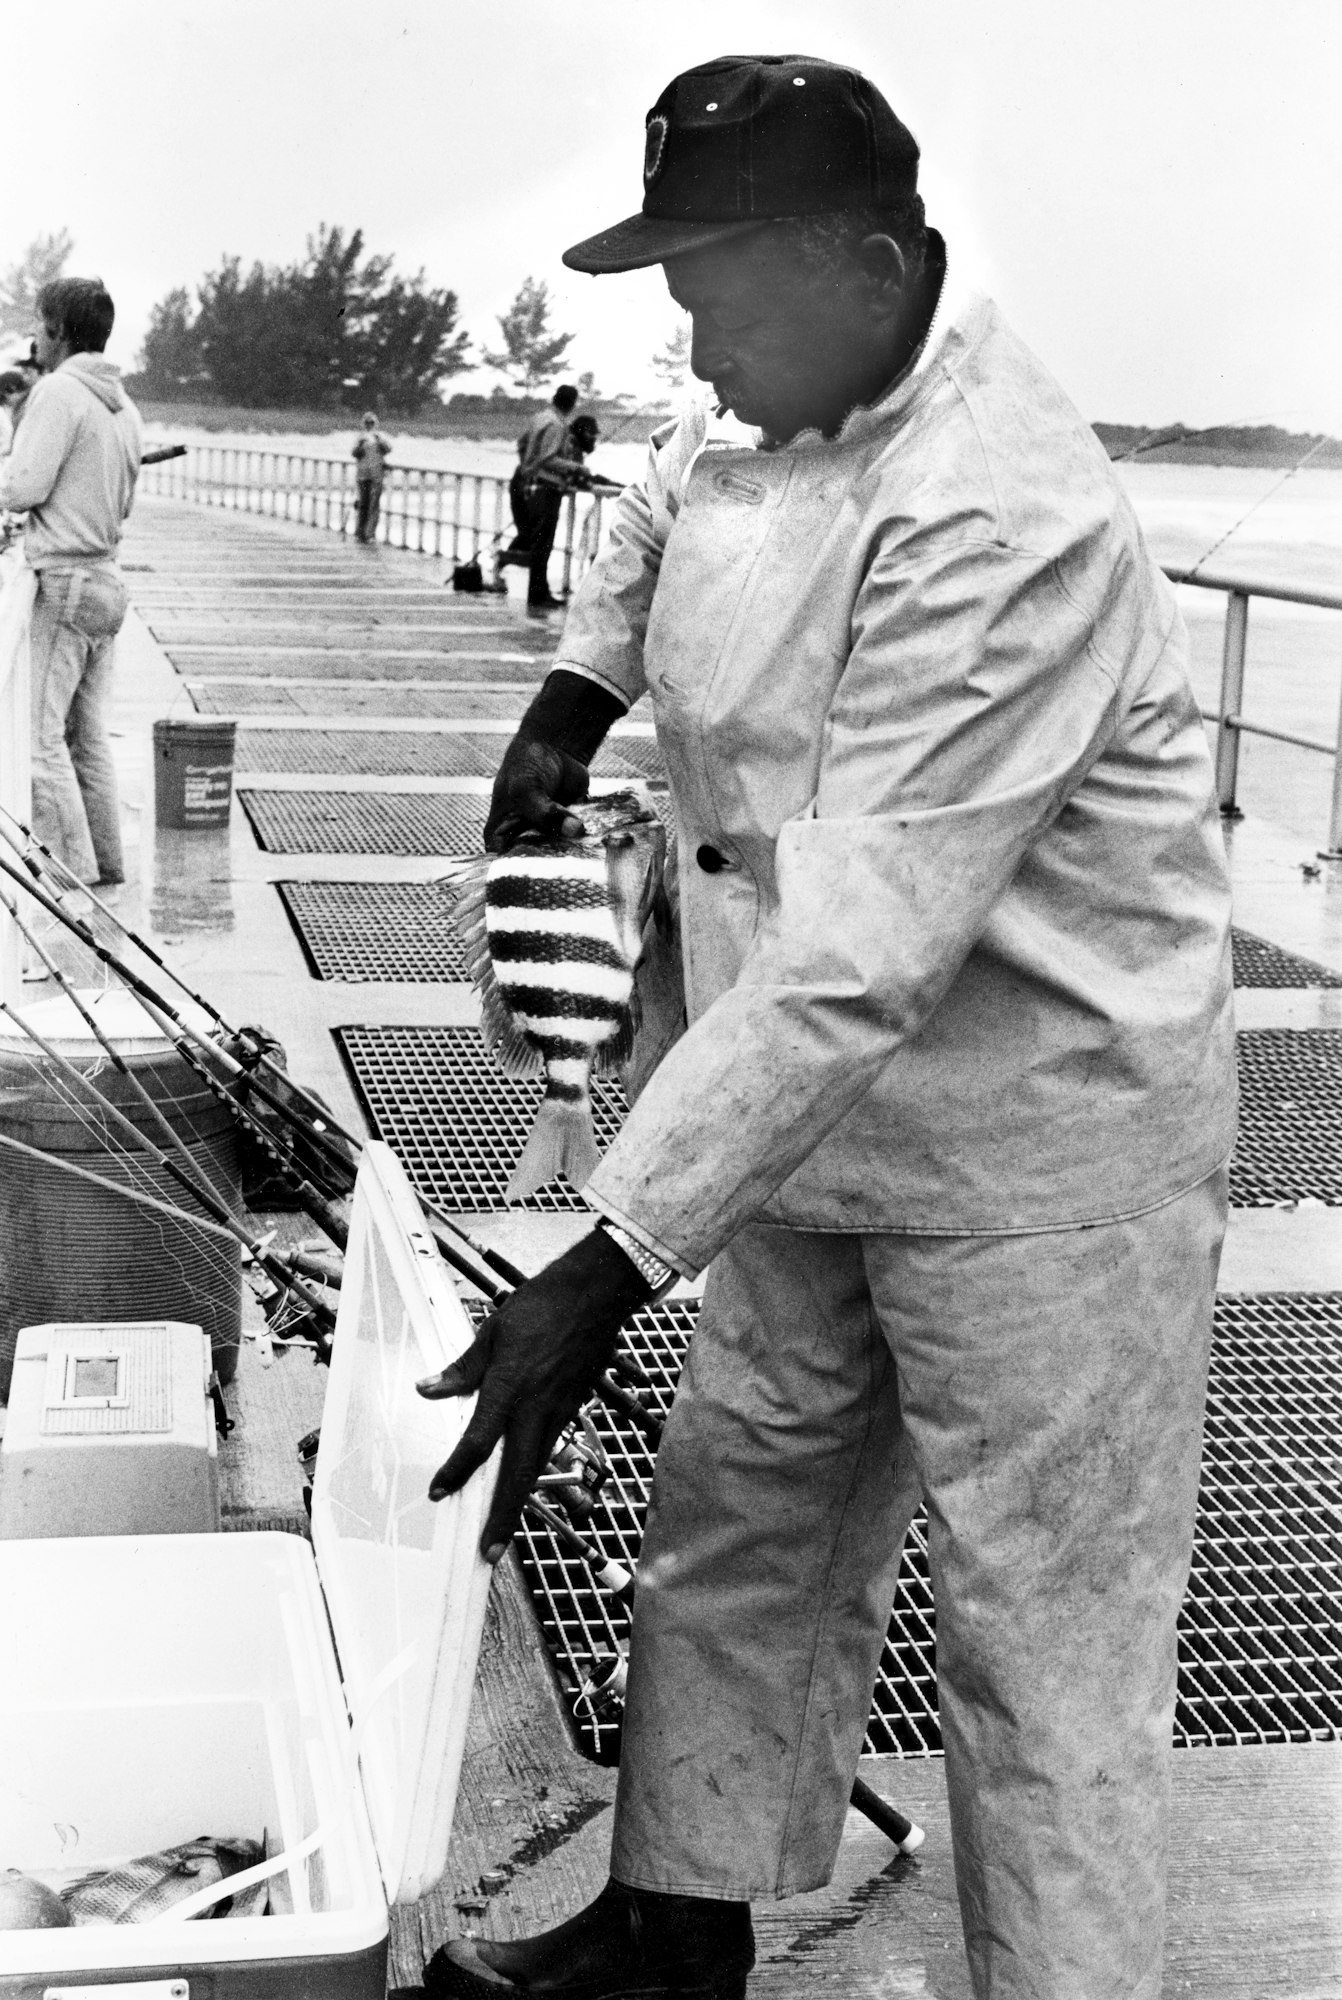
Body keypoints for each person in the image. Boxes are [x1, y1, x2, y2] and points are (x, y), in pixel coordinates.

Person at [420, 53, 1236, 2000]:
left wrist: (600, 1260)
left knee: (1037, 1645)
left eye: (718, 302)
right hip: (803, 1119)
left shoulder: (994, 504)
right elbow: (656, 522)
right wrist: (561, 712)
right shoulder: (769, 393)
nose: (695, 356)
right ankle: (669, 1919)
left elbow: (861, 957)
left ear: (867, 264)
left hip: (1041, 1148)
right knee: (735, 1518)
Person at [0, 277, 142, 886]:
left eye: (39, 324)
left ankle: (69, 879)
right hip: (107, 581)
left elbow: (24, 488)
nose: (35, 337)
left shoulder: (58, 393)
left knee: (37, 742)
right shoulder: (123, 404)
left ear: (58, 331)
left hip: (63, 584)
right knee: (87, 738)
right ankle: (106, 864)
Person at [504, 382, 579, 608]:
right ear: (572, 404)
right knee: (542, 543)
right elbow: (549, 458)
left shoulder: (540, 417)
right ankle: (537, 595)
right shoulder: (557, 425)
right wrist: (576, 468)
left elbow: (522, 443)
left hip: (529, 485)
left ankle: (539, 590)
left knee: (537, 539)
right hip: (547, 488)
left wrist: (527, 466)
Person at [350, 411, 391, 543]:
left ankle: (370, 534)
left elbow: (388, 449)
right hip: (362, 475)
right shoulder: (359, 437)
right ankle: (360, 532)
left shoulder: (380, 436)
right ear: (363, 424)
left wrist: (380, 442)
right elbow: (354, 454)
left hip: (376, 475)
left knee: (374, 505)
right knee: (363, 504)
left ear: (376, 424)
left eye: (372, 422)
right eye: (367, 422)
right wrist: (360, 445)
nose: (369, 425)